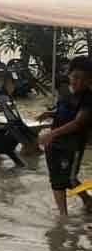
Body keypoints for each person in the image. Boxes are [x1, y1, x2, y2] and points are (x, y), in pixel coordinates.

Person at [37, 57, 92, 215]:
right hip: (54, 143)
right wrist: (50, 113)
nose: (77, 82)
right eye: (74, 77)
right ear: (69, 74)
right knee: (55, 178)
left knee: (69, 178)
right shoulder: (64, 90)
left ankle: (86, 199)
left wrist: (52, 133)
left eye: (82, 79)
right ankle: (63, 216)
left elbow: (78, 123)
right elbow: (64, 111)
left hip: (72, 144)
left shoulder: (88, 98)